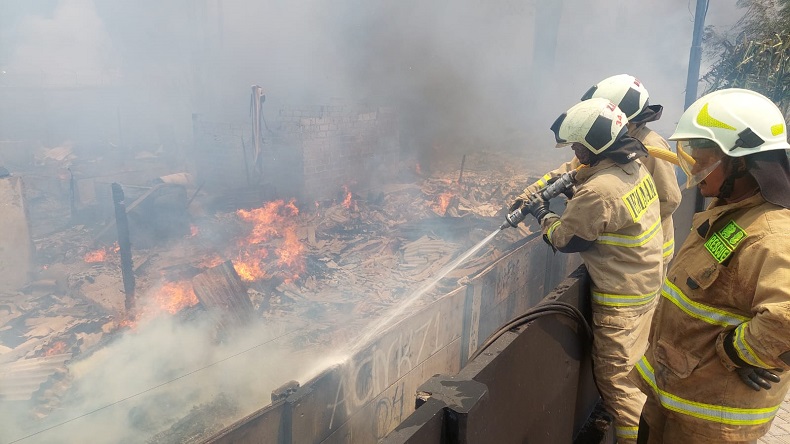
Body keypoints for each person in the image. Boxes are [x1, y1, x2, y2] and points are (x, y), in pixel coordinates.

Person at [631, 88, 790, 443]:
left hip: (709, 423)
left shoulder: (772, 235)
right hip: (675, 401)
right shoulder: (732, 212)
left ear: (741, 162)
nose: (694, 169)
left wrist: (740, 351)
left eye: (704, 161)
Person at [518, 97, 664, 443]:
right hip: (644, 284)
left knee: (618, 385)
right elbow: (585, 183)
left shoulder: (599, 190)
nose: (574, 150)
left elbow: (568, 239)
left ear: (595, 144)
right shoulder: (630, 165)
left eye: (578, 144)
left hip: (621, 301)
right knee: (636, 375)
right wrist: (551, 187)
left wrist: (542, 214)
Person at [517, 74, 681, 275]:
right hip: (618, 257)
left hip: (644, 253)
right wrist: (527, 195)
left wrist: (620, 219)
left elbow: (669, 199)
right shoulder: (605, 145)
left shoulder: (651, 148)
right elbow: (571, 170)